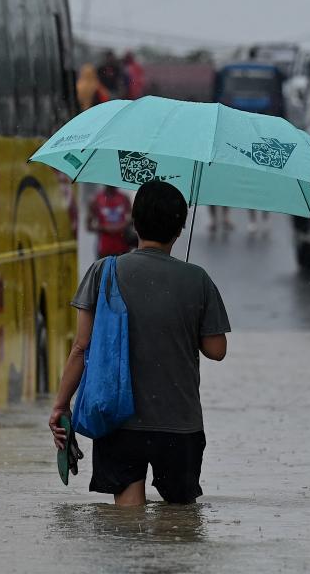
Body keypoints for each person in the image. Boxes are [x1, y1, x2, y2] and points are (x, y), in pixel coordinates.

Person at [50, 181, 231, 506]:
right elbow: (216, 350)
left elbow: (81, 347)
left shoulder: (103, 271)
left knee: (127, 520)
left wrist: (61, 406)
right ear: (180, 228)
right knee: (179, 524)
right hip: (179, 424)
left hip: (120, 422)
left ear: (134, 223)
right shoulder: (198, 279)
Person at [87, 186, 133, 258]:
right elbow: (89, 226)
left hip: (123, 247)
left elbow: (132, 220)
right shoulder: (96, 199)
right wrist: (104, 228)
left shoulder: (124, 198)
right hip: (104, 249)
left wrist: (122, 226)